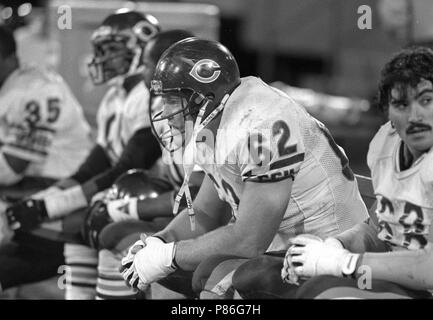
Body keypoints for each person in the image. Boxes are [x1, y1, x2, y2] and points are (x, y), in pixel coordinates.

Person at [119, 38, 369, 299]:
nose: (166, 112)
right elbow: (203, 213)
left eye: (174, 100)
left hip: (328, 249)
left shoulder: (261, 126)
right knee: (172, 272)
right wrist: (159, 242)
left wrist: (168, 256)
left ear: (205, 97)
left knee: (215, 274)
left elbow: (249, 240)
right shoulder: (215, 120)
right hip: (279, 247)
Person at [1, 9, 162, 297]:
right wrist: (40, 203)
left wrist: (48, 207)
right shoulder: (115, 97)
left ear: (141, 47)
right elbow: (91, 169)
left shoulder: (148, 96)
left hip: (149, 195)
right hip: (117, 191)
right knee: (77, 221)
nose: (103, 58)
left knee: (93, 220)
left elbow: (129, 167)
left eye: (112, 49)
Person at [285, 46, 433, 299]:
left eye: (426, 101)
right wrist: (335, 245)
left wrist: (346, 263)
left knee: (327, 293)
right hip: (399, 279)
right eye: (401, 104)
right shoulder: (391, 146)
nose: (414, 115)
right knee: (257, 275)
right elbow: (382, 228)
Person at [78, 29, 204, 300]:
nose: (146, 74)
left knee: (122, 236)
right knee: (111, 229)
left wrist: (126, 208)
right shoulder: (168, 113)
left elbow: (197, 201)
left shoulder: (208, 125)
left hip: (220, 227)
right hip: (199, 219)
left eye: (150, 64)